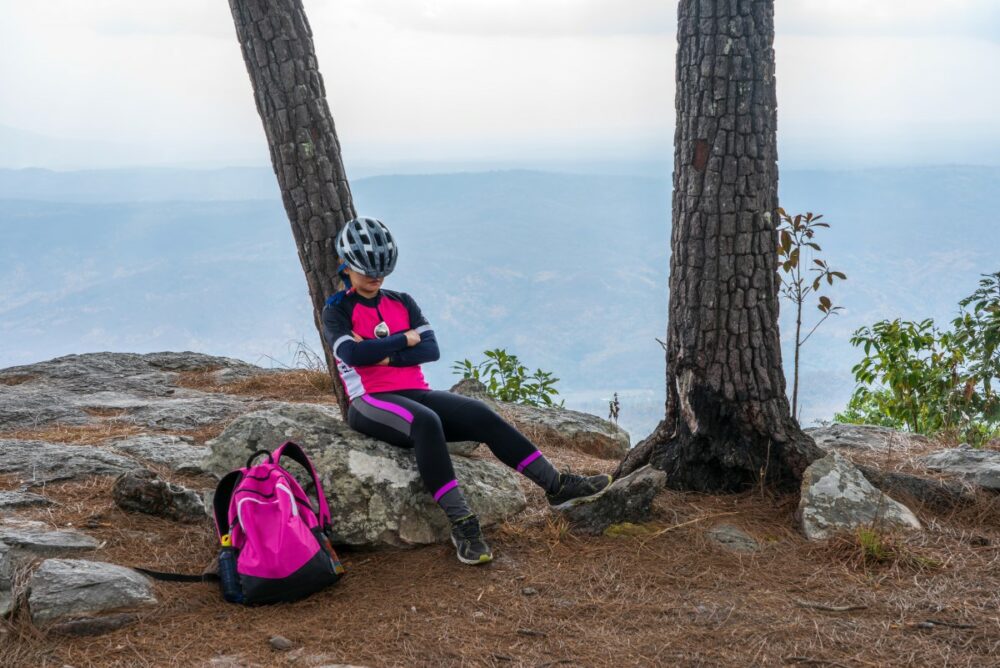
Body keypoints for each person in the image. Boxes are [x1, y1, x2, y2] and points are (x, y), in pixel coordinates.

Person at [322, 217, 613, 565]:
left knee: (480, 414)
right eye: (367, 269)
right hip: (370, 401)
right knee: (426, 422)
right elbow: (351, 354)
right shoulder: (337, 309)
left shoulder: (402, 302)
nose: (376, 276)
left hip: (415, 391)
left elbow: (430, 350)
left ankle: (557, 486)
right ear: (347, 265)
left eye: (383, 269)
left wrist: (380, 352)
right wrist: (404, 340)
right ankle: (463, 523)